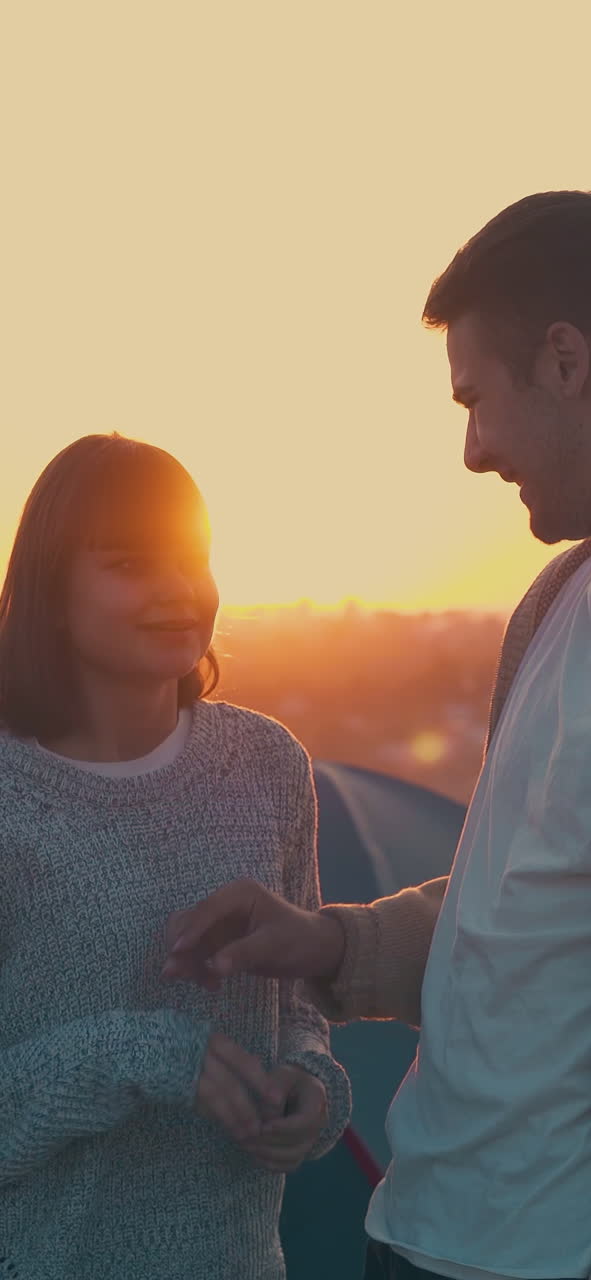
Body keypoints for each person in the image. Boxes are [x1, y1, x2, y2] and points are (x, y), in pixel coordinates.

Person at [163, 190, 591, 1280]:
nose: (470, 452)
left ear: (566, 360)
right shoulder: (558, 598)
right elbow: (518, 905)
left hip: (573, 1259)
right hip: (415, 1230)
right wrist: (327, 941)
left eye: (476, 399)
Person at [0, 433, 350, 1280]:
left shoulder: (268, 765)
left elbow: (298, 1004)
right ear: (50, 594)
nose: (179, 590)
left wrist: (311, 1082)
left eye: (194, 558)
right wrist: (147, 1055)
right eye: (129, 564)